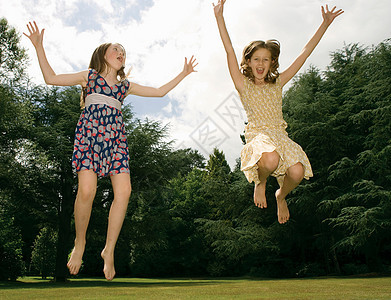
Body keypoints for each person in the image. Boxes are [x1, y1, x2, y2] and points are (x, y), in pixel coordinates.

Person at [24, 21, 197, 280]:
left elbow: (159, 92)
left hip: (116, 140)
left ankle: (109, 250)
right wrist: (39, 47)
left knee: (124, 191)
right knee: (86, 190)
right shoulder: (89, 77)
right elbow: (51, 78)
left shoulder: (124, 85)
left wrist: (183, 73)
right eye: (116, 49)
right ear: (102, 54)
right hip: (90, 136)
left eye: (123, 52)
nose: (121, 53)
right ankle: (79, 243)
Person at [213, 1, 343, 224]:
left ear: (272, 62)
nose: (261, 63)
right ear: (248, 62)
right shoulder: (243, 84)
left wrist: (325, 24)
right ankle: (260, 183)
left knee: (297, 173)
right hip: (259, 135)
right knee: (270, 160)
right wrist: (219, 17)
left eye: (265, 59)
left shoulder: (278, 83)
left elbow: (303, 54)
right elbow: (229, 50)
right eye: (256, 59)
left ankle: (281, 196)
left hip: (280, 135)